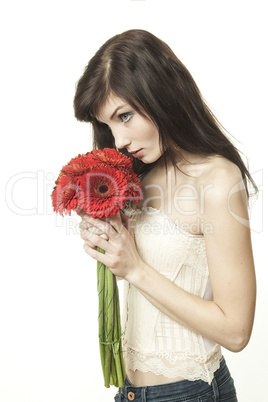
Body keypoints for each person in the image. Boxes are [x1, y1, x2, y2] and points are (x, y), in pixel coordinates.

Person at [74, 29, 257, 401]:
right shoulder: (140, 176)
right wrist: (109, 243)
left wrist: (135, 268)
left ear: (161, 93)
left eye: (124, 116)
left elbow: (236, 331)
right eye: (108, 125)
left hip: (190, 392)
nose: (119, 140)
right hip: (129, 392)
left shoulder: (218, 179)